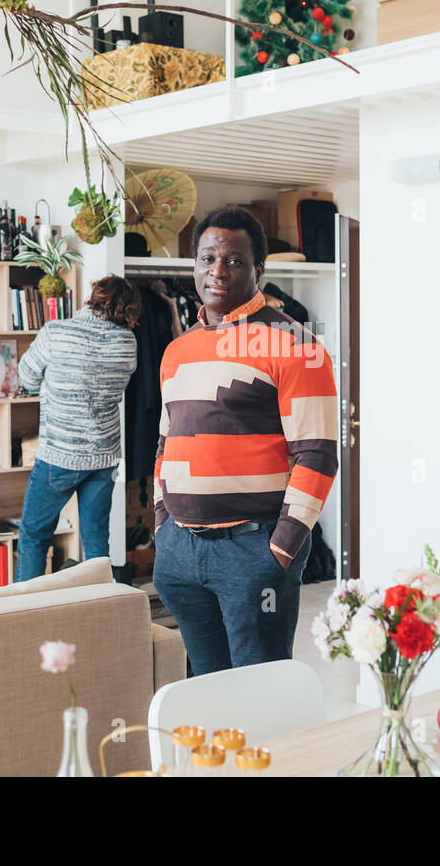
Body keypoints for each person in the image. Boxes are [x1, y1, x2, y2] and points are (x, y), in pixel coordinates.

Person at [151, 205, 339, 675]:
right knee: (206, 687)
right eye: (208, 258)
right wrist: (162, 525)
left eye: (234, 261)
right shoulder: (177, 349)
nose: (218, 271)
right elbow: (165, 440)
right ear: (193, 264)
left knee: (261, 691)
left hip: (253, 552)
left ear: (259, 269)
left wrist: (281, 548)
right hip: (179, 552)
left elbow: (317, 452)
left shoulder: (296, 346)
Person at [15, 275, 140, 580]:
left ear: (91, 298)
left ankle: (21, 611)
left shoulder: (56, 332)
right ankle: (97, 609)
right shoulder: (127, 341)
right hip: (104, 456)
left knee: (34, 536)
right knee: (96, 540)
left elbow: (26, 377)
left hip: (60, 454)